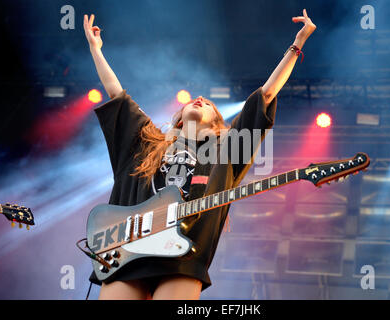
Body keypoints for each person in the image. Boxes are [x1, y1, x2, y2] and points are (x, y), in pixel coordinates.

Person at [83, 9, 316, 300]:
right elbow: (117, 95)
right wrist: (96, 51)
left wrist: (297, 45)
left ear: (218, 125)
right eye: (197, 101)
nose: (202, 99)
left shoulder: (229, 148)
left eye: (209, 105)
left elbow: (266, 95)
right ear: (179, 119)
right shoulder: (147, 141)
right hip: (127, 249)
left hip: (182, 256)